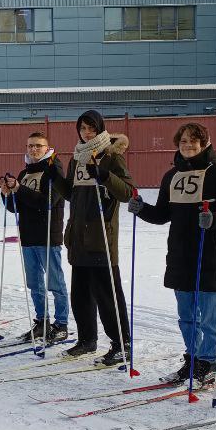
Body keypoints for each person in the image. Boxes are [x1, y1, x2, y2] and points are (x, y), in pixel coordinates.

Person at [128, 122, 216, 385]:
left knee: (209, 318)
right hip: (180, 254)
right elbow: (163, 215)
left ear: (205, 143)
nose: (188, 145)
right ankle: (193, 358)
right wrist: (141, 208)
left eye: (194, 141)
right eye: (184, 141)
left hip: (210, 256)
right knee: (186, 317)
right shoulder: (171, 176)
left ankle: (208, 363)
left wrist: (215, 219)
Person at [51, 109, 134, 366]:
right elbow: (72, 195)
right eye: (83, 128)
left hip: (100, 238)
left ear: (100, 129)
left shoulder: (111, 156)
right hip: (78, 237)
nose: (86, 133)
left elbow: (128, 193)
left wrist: (105, 176)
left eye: (91, 128)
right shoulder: (78, 157)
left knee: (107, 295)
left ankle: (122, 344)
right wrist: (54, 176)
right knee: (81, 295)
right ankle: (87, 339)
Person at [0, 131, 69, 345]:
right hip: (28, 236)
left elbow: (45, 203)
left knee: (55, 282)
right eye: (30, 146)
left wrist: (19, 190)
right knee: (34, 283)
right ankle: (42, 321)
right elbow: (16, 208)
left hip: (48, 234)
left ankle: (61, 324)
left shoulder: (53, 170)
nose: (34, 149)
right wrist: (7, 195)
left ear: (47, 148)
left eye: (38, 146)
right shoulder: (25, 173)